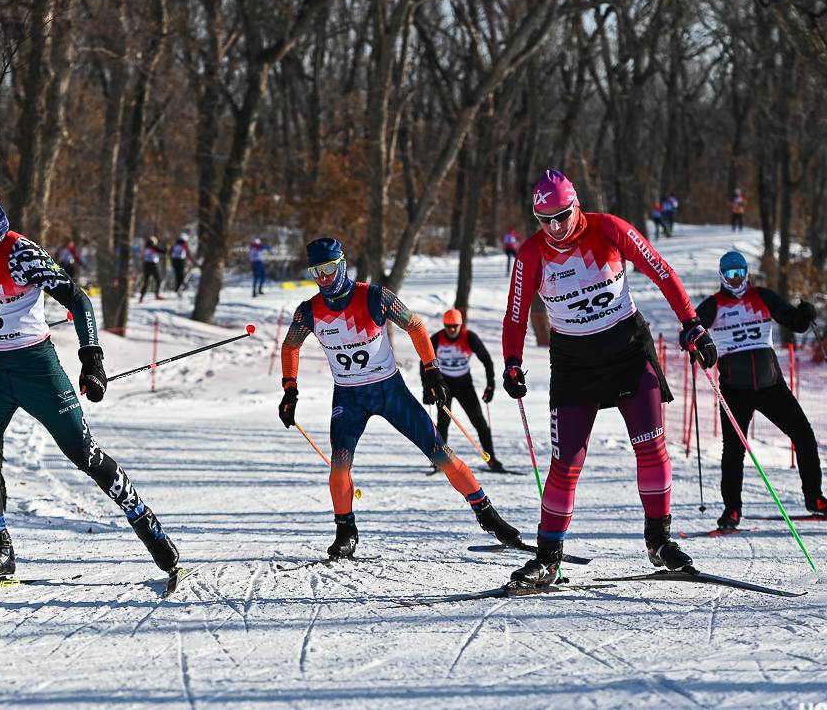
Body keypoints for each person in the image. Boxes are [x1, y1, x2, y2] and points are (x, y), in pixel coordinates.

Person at [0, 180, 181, 580]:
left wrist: (92, 361)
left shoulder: (20, 252)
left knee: (84, 454)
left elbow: (78, 300)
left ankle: (144, 521)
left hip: (37, 370)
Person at [502, 169, 717, 591]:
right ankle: (548, 559)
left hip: (627, 351)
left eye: (562, 216)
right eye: (545, 219)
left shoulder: (609, 228)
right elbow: (516, 314)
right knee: (565, 466)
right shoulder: (531, 254)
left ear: (576, 205)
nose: (555, 227)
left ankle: (659, 541)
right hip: (574, 362)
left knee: (651, 447)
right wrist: (512, 362)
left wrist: (692, 324)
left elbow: (663, 271)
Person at [277, 238, 522, 558]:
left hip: (389, 390)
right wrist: (290, 389)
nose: (323, 277)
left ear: (341, 264)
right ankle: (345, 531)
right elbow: (290, 346)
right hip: (349, 397)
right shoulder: (309, 311)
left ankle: (487, 515)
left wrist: (432, 369)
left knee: (440, 452)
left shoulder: (374, 296)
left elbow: (416, 325)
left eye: (328, 268)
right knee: (339, 466)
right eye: (316, 271)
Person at [695, 251, 827, 531]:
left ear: (747, 272)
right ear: (722, 276)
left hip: (770, 385)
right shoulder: (713, 305)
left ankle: (815, 498)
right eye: (730, 274)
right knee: (734, 451)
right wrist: (691, 341)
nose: (736, 279)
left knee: (803, 434)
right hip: (734, 390)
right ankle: (732, 510)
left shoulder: (763, 297)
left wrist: (805, 315)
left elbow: (794, 323)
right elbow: (691, 328)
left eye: (740, 273)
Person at [422, 309, 506, 473]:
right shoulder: (437, 339)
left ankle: (492, 460)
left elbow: (487, 361)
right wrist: (427, 387)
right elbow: (424, 362)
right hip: (443, 383)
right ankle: (440, 461)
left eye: (455, 326)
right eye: (448, 326)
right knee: (443, 422)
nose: (451, 329)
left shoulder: (469, 337)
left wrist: (490, 385)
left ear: (461, 325)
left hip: (464, 383)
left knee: (479, 421)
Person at [139, 236, 163, 301]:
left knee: (146, 282)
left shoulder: (145, 247)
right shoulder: (153, 247)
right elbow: (162, 251)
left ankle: (141, 297)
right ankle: (157, 294)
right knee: (158, 280)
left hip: (146, 264)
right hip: (153, 265)